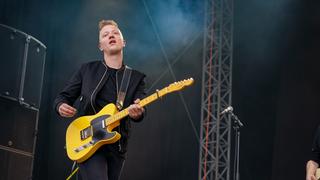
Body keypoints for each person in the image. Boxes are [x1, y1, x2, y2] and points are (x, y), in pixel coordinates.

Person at [53, 20, 146, 180]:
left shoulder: (136, 78)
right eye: (105, 34)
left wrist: (137, 112)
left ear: (123, 42)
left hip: (116, 145)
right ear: (100, 46)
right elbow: (63, 97)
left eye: (115, 33)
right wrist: (61, 106)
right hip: (88, 137)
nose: (111, 35)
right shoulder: (87, 70)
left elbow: (140, 107)